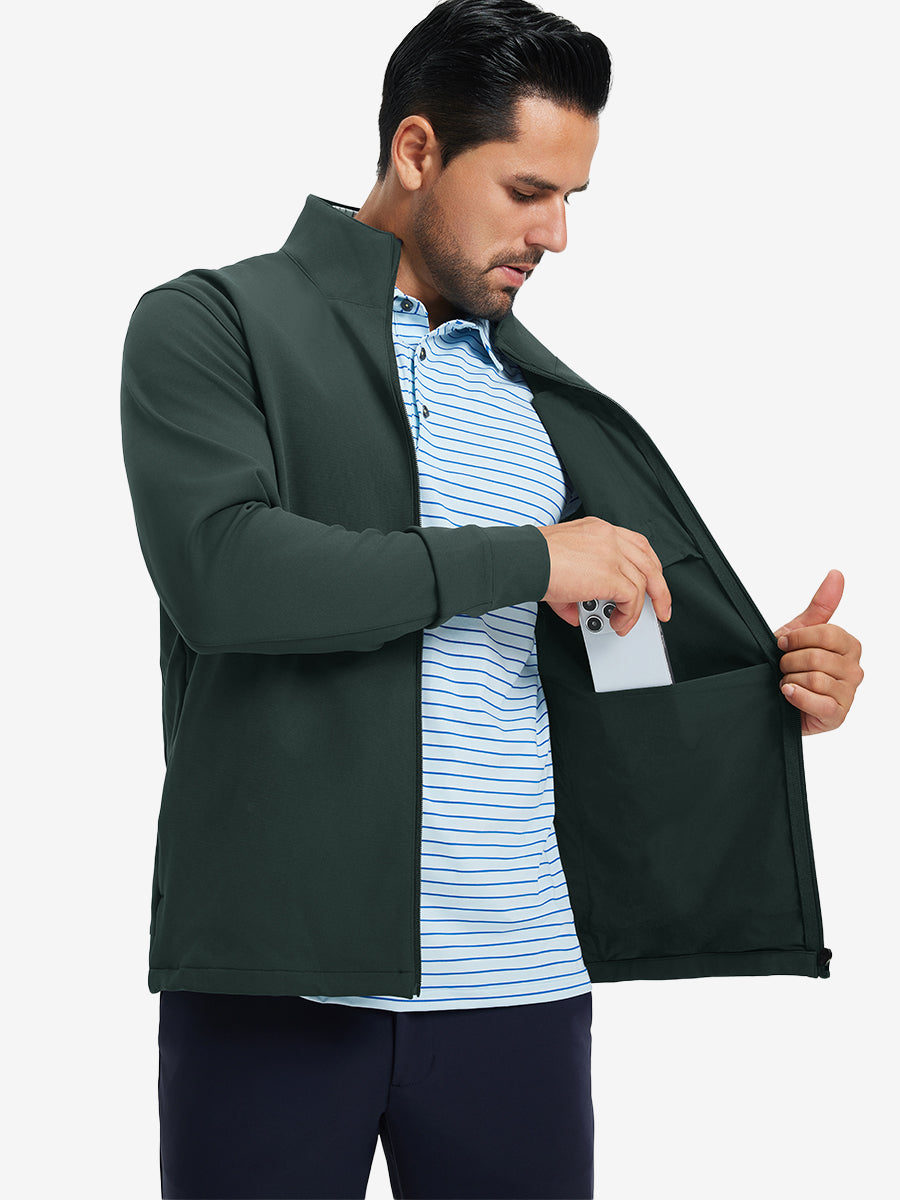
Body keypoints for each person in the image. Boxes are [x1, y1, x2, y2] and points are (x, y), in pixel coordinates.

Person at [119, 2, 864, 1197]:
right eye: (527, 191)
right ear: (417, 150)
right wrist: (530, 558)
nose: (555, 234)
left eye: (571, 198)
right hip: (277, 974)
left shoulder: (539, 401)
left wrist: (764, 695)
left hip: (523, 985)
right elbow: (227, 577)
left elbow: (605, 664)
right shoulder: (215, 322)